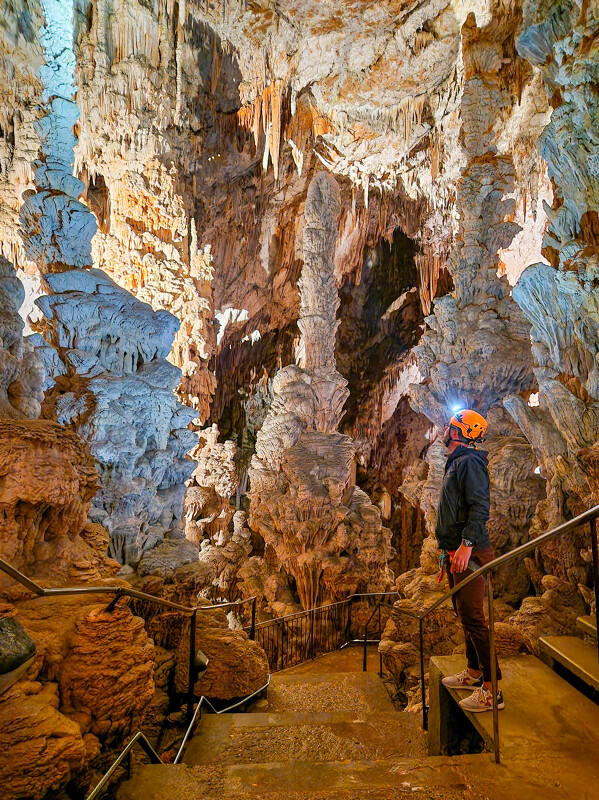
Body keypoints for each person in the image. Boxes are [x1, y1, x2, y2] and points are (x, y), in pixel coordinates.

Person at [436, 408, 504, 712]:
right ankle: (474, 672)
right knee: (464, 614)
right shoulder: (457, 462)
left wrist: (466, 545)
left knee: (474, 618)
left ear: (456, 432)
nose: (445, 429)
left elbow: (479, 507)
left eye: (449, 426)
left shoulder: (469, 463)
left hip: (471, 553)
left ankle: (492, 690)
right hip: (457, 552)